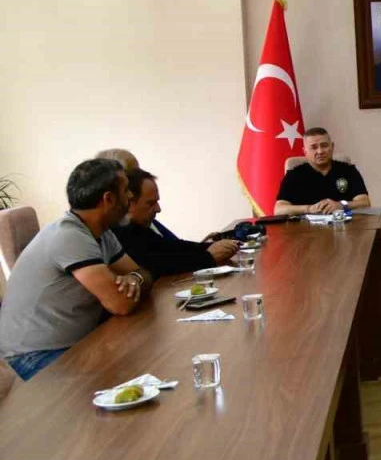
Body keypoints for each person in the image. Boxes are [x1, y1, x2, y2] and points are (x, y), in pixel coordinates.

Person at [0, 158, 152, 381]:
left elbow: (143, 273)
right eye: (126, 190)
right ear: (108, 199)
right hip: (32, 355)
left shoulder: (101, 232)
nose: (131, 196)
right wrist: (134, 281)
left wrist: (136, 278)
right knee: (127, 379)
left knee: (143, 359)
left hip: (71, 342)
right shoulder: (69, 236)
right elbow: (120, 303)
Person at [113, 169, 241, 277]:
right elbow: (154, 264)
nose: (158, 209)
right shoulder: (118, 232)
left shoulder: (137, 228)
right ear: (129, 203)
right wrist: (208, 257)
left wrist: (214, 247)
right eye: (151, 203)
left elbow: (171, 247)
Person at [274, 128, 372, 215]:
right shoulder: (294, 175)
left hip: (344, 225)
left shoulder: (348, 170)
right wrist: (309, 209)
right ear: (305, 151)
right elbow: (279, 209)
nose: (320, 151)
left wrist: (341, 205)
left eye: (324, 146)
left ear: (332, 147)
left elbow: (364, 202)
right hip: (306, 228)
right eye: (314, 147)